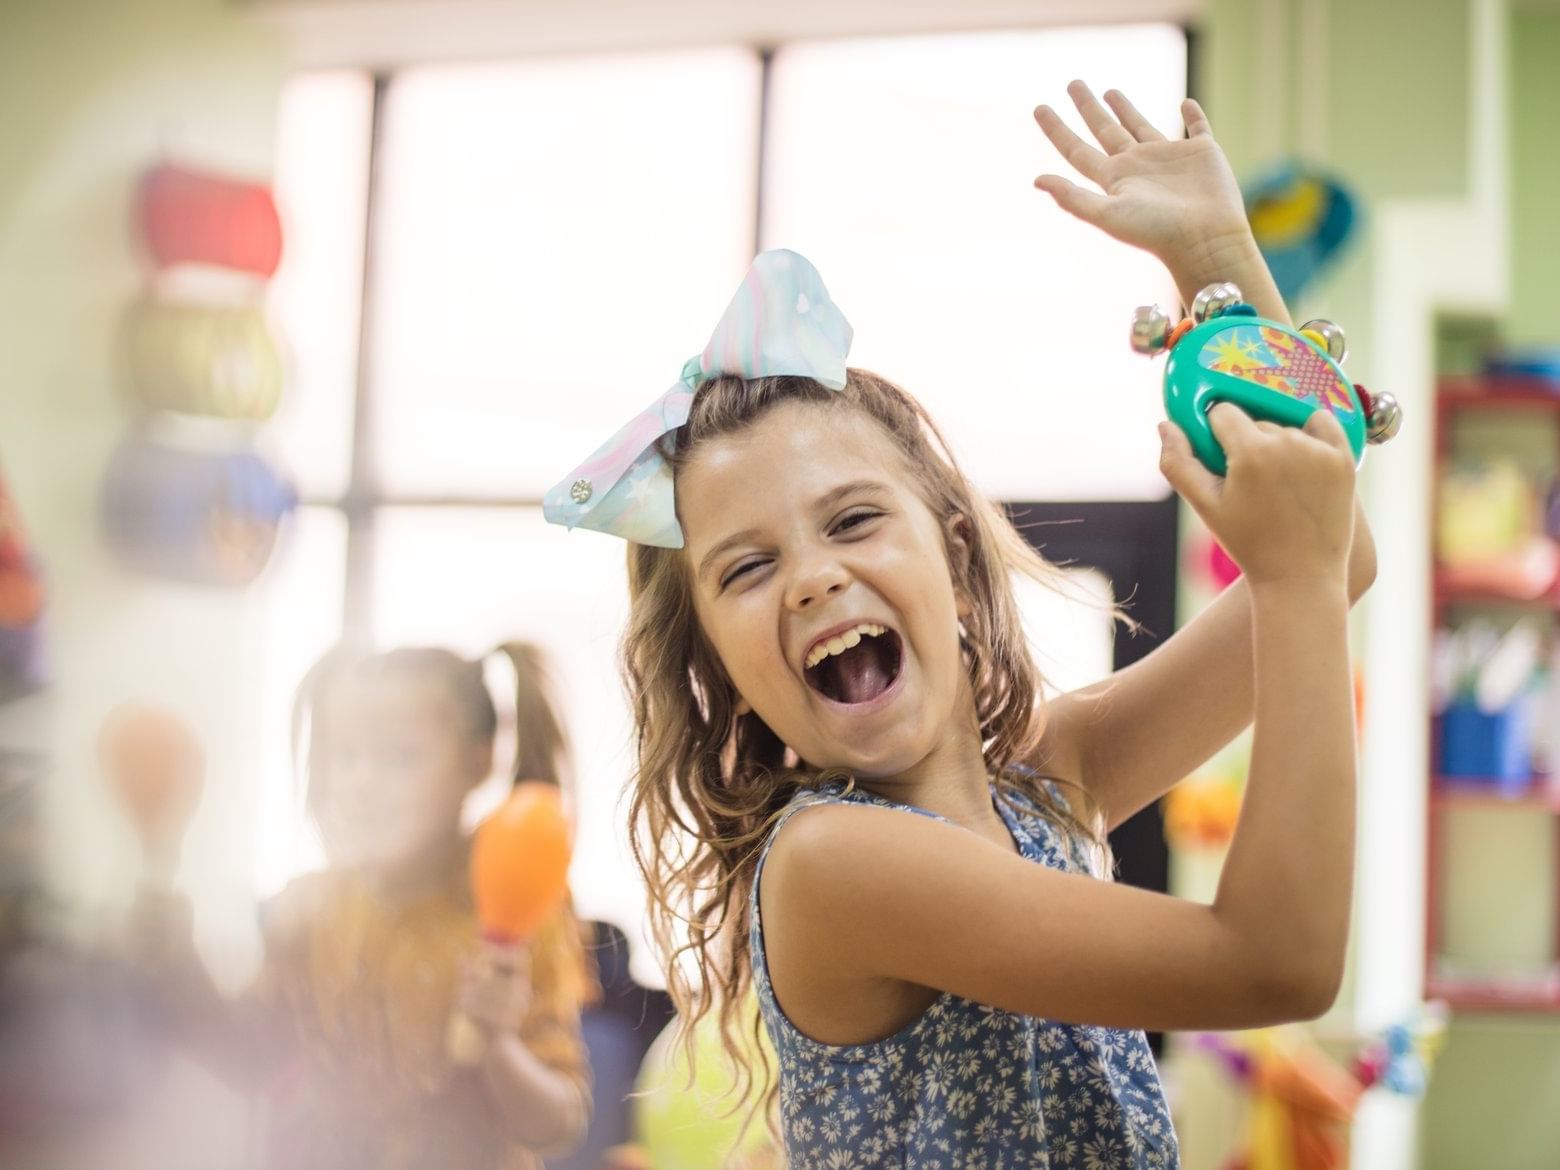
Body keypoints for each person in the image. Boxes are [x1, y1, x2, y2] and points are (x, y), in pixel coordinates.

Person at [545, 80, 1379, 1170]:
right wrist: (1296, 574)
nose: (811, 580)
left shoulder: (1045, 778)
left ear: (949, 542)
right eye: (747, 568)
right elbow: (1277, 964)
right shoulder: (834, 865)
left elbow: (1344, 557)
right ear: (717, 664)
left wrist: (1217, 252)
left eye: (852, 520)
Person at [132, 642, 592, 1170]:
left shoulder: (514, 918)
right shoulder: (312, 907)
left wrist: (499, 1046)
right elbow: (252, 1058)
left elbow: (559, 1125)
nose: (362, 782)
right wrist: (178, 966)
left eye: (400, 757)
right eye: (345, 756)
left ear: (478, 761)